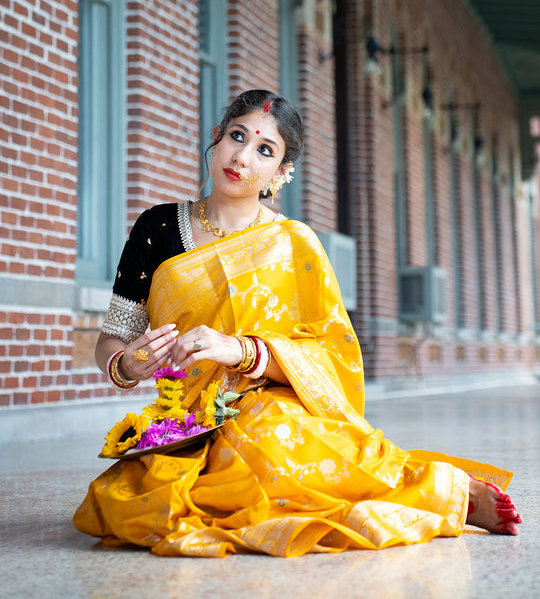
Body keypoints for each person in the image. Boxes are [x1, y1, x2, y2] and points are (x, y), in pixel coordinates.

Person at [74, 89, 522, 557]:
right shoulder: (157, 227)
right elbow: (113, 339)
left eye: (264, 150)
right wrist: (126, 365)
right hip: (187, 421)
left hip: (273, 403)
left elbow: (334, 357)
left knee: (268, 441)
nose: (242, 157)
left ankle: (444, 492)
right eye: (237, 136)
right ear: (216, 137)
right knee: (124, 507)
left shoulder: (293, 245)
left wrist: (241, 350)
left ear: (280, 173)